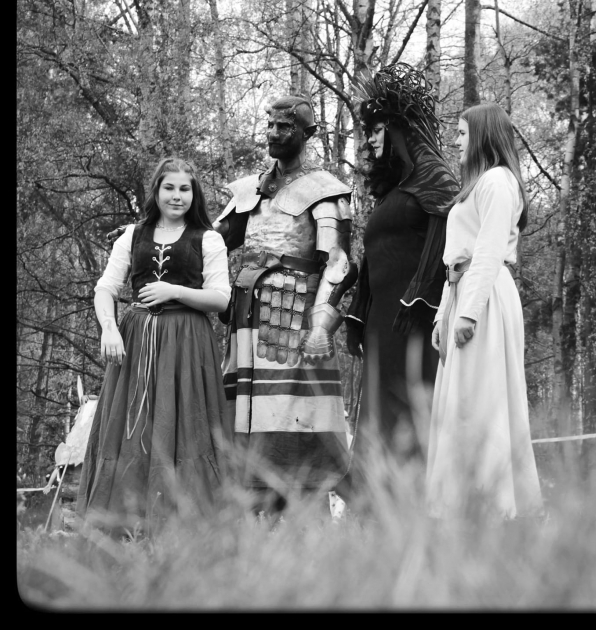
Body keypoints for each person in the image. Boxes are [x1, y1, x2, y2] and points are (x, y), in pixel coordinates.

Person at [213, 95, 357, 519]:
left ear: (306, 133)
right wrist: (147, 234)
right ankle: (252, 519)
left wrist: (321, 325)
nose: (274, 133)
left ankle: (308, 523)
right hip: (247, 317)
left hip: (295, 316)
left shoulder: (325, 191)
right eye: (271, 125)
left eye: (285, 126)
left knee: (295, 417)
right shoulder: (251, 191)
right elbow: (209, 240)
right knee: (247, 416)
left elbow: (338, 264)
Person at [77, 158, 234, 532]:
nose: (177, 196)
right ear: (157, 191)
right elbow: (105, 288)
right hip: (136, 341)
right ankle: (124, 522)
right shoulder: (133, 235)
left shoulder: (207, 238)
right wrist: (109, 328)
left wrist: (175, 291)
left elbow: (220, 298)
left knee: (186, 426)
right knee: (132, 427)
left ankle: (188, 526)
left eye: (185, 189)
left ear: (194, 194)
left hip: (187, 343)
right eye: (169, 188)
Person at [344, 63, 458, 502]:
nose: (370, 140)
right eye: (367, 132)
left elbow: (447, 246)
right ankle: (375, 512)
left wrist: (419, 301)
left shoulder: (436, 178)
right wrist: (357, 312)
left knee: (410, 411)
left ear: (399, 129)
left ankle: (413, 509)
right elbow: (374, 258)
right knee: (379, 413)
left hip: (414, 325)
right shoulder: (392, 193)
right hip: (383, 326)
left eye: (376, 130)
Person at [427, 103, 543, 521]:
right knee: (461, 404)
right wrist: (444, 314)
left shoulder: (497, 181)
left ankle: (494, 510)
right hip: (467, 291)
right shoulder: (479, 184)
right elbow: (457, 260)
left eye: (462, 133)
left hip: (486, 297)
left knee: (484, 400)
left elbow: (489, 251)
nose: (456, 140)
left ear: (481, 135)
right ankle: (461, 506)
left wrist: (469, 314)